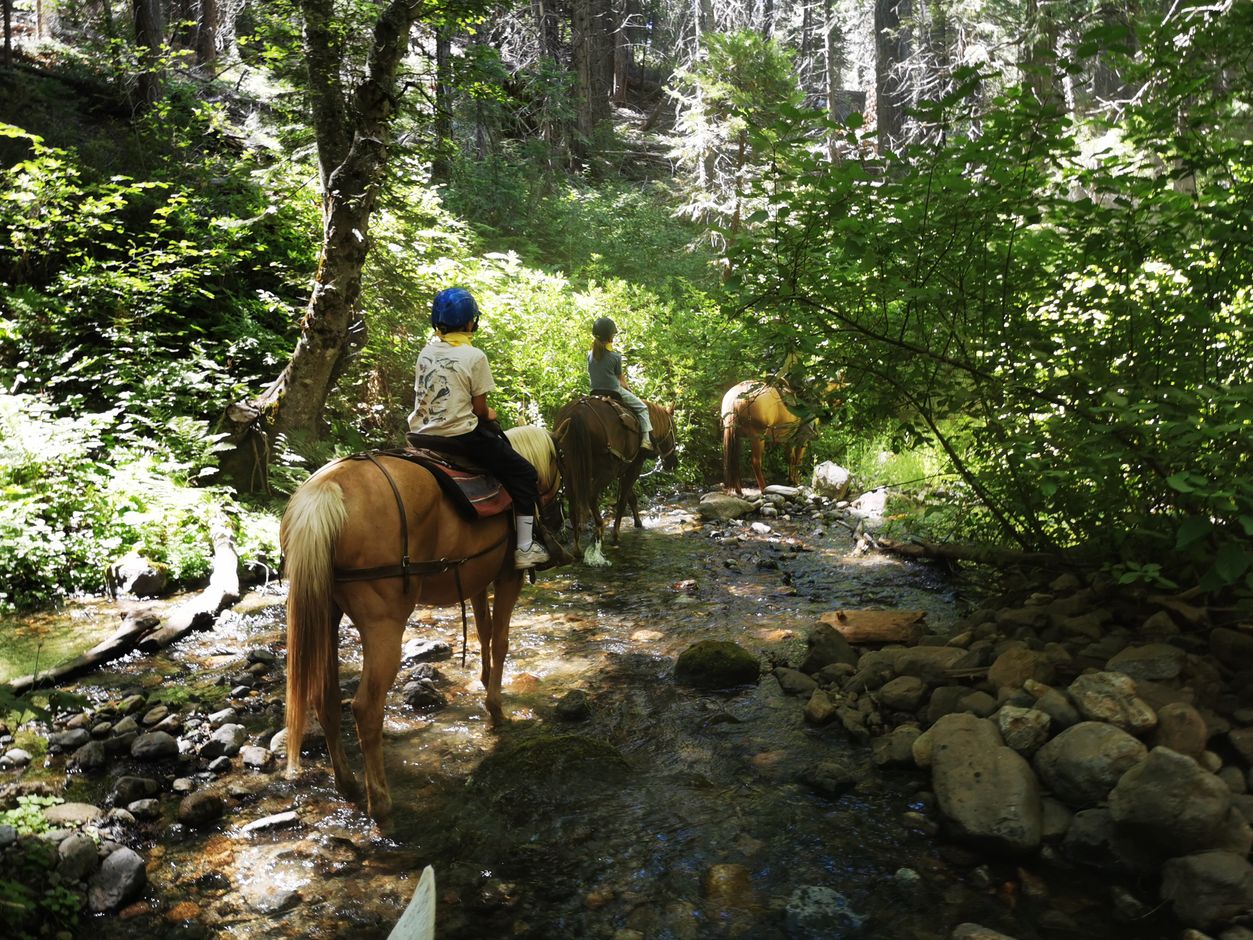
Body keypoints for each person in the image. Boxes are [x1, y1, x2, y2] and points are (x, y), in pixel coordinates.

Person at [407, 287, 550, 570]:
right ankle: (524, 547)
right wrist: (492, 414)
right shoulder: (474, 356)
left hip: (420, 435)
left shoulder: (425, 352)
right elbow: (481, 410)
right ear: (471, 322)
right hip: (459, 436)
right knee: (524, 472)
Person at [587, 317, 653, 452]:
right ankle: (646, 440)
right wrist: (629, 389)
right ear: (610, 336)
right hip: (613, 391)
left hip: (595, 391)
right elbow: (622, 382)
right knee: (642, 408)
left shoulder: (589, 355)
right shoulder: (615, 357)